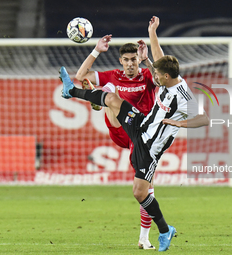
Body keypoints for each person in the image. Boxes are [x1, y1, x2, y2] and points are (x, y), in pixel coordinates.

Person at [59, 20, 209, 252]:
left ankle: (164, 230)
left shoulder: (184, 97)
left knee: (140, 192)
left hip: (148, 147)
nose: (154, 75)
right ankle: (71, 91)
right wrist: (152, 33)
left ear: (166, 76)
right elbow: (158, 57)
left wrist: (180, 122)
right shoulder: (168, 80)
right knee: (111, 98)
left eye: (158, 73)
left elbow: (204, 119)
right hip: (140, 124)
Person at [74, 36, 157, 250]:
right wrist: (96, 51)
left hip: (142, 135)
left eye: (134, 59)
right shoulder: (114, 75)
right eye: (126, 60)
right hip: (120, 129)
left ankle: (144, 238)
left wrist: (148, 60)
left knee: (146, 188)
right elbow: (80, 76)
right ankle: (101, 99)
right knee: (112, 93)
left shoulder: (147, 75)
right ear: (121, 61)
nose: (130, 63)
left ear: (138, 59)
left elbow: (162, 79)